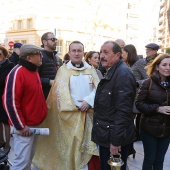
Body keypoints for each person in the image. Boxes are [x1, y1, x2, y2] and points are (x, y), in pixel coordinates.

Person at [33, 41, 100, 170]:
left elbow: (98, 89)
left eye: (79, 50)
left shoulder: (90, 69)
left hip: (89, 116)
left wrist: (88, 101)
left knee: (85, 153)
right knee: (71, 150)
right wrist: (78, 106)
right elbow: (60, 92)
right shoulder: (63, 71)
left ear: (83, 53)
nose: (76, 53)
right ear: (69, 53)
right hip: (70, 119)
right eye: (73, 50)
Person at [92, 41, 136, 170]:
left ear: (117, 55)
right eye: (101, 52)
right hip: (108, 134)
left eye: (106, 52)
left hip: (114, 138)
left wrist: (116, 142)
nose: (101, 56)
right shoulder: (113, 71)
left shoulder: (122, 75)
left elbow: (123, 112)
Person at [3, 44, 47, 170]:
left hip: (32, 125)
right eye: (38, 54)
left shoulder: (33, 70)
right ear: (29, 58)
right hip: (25, 127)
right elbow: (9, 102)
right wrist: (21, 126)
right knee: (21, 163)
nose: (41, 57)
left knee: (28, 161)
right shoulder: (18, 72)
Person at [135, 54, 170, 170]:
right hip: (149, 129)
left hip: (167, 130)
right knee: (150, 159)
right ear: (156, 67)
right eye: (164, 65)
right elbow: (139, 104)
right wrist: (158, 108)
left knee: (160, 160)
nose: (168, 68)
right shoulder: (147, 83)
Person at [132, 42, 159, 140]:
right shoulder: (141, 62)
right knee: (139, 113)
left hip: (156, 91)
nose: (147, 51)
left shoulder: (159, 61)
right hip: (142, 90)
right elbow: (136, 77)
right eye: (146, 49)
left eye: (150, 49)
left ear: (155, 51)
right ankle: (139, 135)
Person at [122, 44, 139, 158]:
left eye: (123, 53)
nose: (121, 56)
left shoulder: (138, 64)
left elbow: (149, 79)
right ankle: (129, 149)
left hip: (134, 102)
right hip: (129, 102)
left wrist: (136, 82)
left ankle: (128, 149)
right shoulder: (126, 65)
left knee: (128, 127)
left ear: (129, 53)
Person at [39, 32, 63, 99]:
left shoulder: (56, 57)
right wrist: (49, 81)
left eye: (56, 39)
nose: (55, 42)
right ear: (44, 42)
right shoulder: (40, 57)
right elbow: (34, 78)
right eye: (53, 39)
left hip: (55, 95)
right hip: (44, 96)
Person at [0, 45, 14, 154]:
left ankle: (8, 144)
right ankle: (1, 141)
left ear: (4, 55)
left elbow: (4, 81)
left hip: (5, 97)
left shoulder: (9, 65)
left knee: (6, 121)